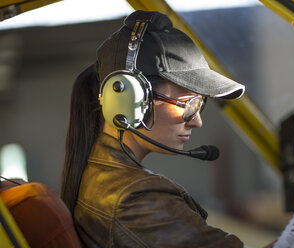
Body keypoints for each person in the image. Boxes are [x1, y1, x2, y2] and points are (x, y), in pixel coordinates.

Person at [61, 10, 266, 248]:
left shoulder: (100, 177)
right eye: (188, 103)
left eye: (201, 103)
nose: (197, 121)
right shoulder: (136, 199)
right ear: (128, 98)